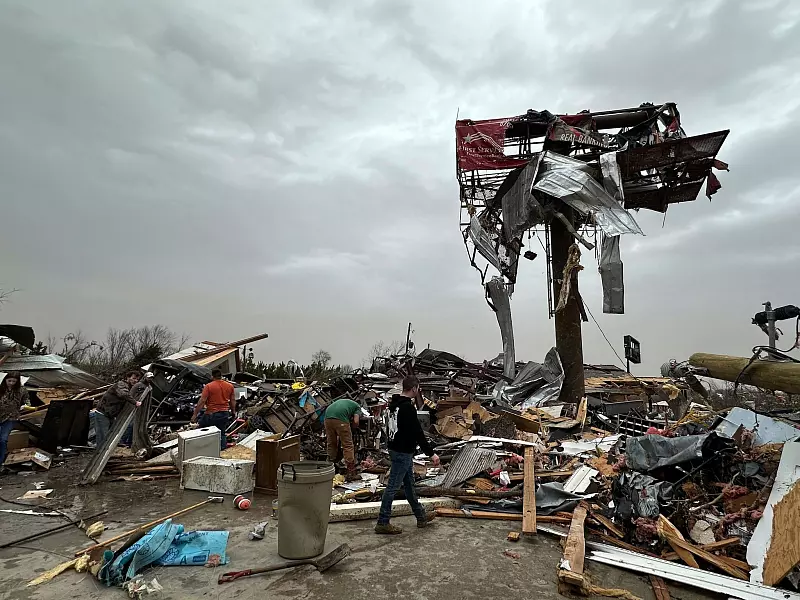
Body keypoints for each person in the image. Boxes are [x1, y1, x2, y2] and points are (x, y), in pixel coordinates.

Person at [375, 375, 440, 535]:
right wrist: (431, 454)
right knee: (392, 487)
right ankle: (382, 522)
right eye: (418, 388)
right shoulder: (407, 408)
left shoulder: (392, 406)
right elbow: (418, 432)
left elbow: (389, 429)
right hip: (403, 452)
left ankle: (421, 517)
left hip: (395, 449)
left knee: (410, 486)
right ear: (414, 389)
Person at [95, 371, 142, 449]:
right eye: (133, 378)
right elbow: (123, 394)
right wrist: (135, 402)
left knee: (111, 436)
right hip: (103, 413)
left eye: (137, 379)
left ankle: (106, 452)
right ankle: (99, 454)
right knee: (103, 436)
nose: (135, 381)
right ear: (127, 377)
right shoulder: (121, 384)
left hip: (110, 414)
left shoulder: (130, 388)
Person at [191, 369, 235, 450]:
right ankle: (222, 450)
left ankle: (200, 449)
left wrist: (195, 414)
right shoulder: (230, 386)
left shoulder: (208, 386)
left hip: (211, 414)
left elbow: (202, 401)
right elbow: (232, 401)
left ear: (212, 376)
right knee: (222, 433)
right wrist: (233, 412)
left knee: (200, 430)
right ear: (221, 376)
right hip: (224, 413)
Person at [324, 397, 361, 480]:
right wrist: (352, 428)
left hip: (327, 419)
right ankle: (351, 472)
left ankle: (329, 468)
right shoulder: (357, 407)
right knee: (347, 445)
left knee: (331, 444)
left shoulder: (343, 402)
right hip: (340, 419)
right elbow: (356, 421)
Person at [0, 372, 29, 469]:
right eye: (9, 381)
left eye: (14, 381)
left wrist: (25, 405)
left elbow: (26, 399)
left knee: (3, 439)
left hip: (11, 417)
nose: (11, 383)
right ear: (5, 380)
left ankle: (1, 462)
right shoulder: (1, 388)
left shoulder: (21, 390)